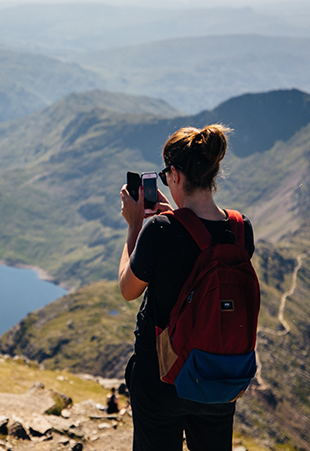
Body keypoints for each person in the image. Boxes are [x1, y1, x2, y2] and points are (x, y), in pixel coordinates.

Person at [118, 124, 255, 451]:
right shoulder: (240, 230)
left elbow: (128, 288)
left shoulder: (159, 230)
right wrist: (177, 217)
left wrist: (135, 225)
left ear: (176, 175)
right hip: (218, 378)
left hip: (162, 379)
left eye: (166, 176)